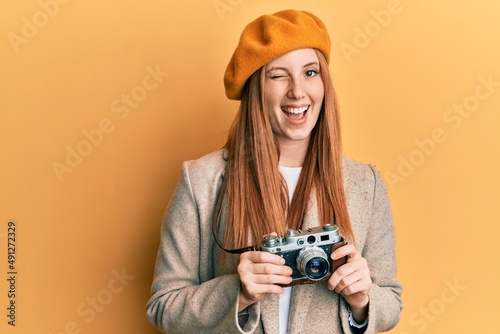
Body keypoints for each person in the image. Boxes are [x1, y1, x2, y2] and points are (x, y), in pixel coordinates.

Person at [146, 9, 402, 334]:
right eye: (278, 75)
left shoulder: (366, 184)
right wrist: (237, 292)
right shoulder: (202, 181)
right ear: (256, 89)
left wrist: (362, 300)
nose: (297, 91)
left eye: (310, 72)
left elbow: (390, 303)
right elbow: (163, 307)